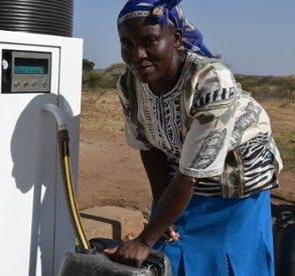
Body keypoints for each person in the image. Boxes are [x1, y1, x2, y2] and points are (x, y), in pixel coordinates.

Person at [104, 0, 283, 275]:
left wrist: (144, 239)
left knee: (225, 259)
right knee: (171, 248)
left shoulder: (211, 80)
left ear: (175, 39)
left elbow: (190, 175)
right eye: (127, 44)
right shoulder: (130, 83)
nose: (137, 54)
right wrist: (159, 203)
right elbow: (149, 146)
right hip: (183, 172)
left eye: (149, 41)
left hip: (237, 180)